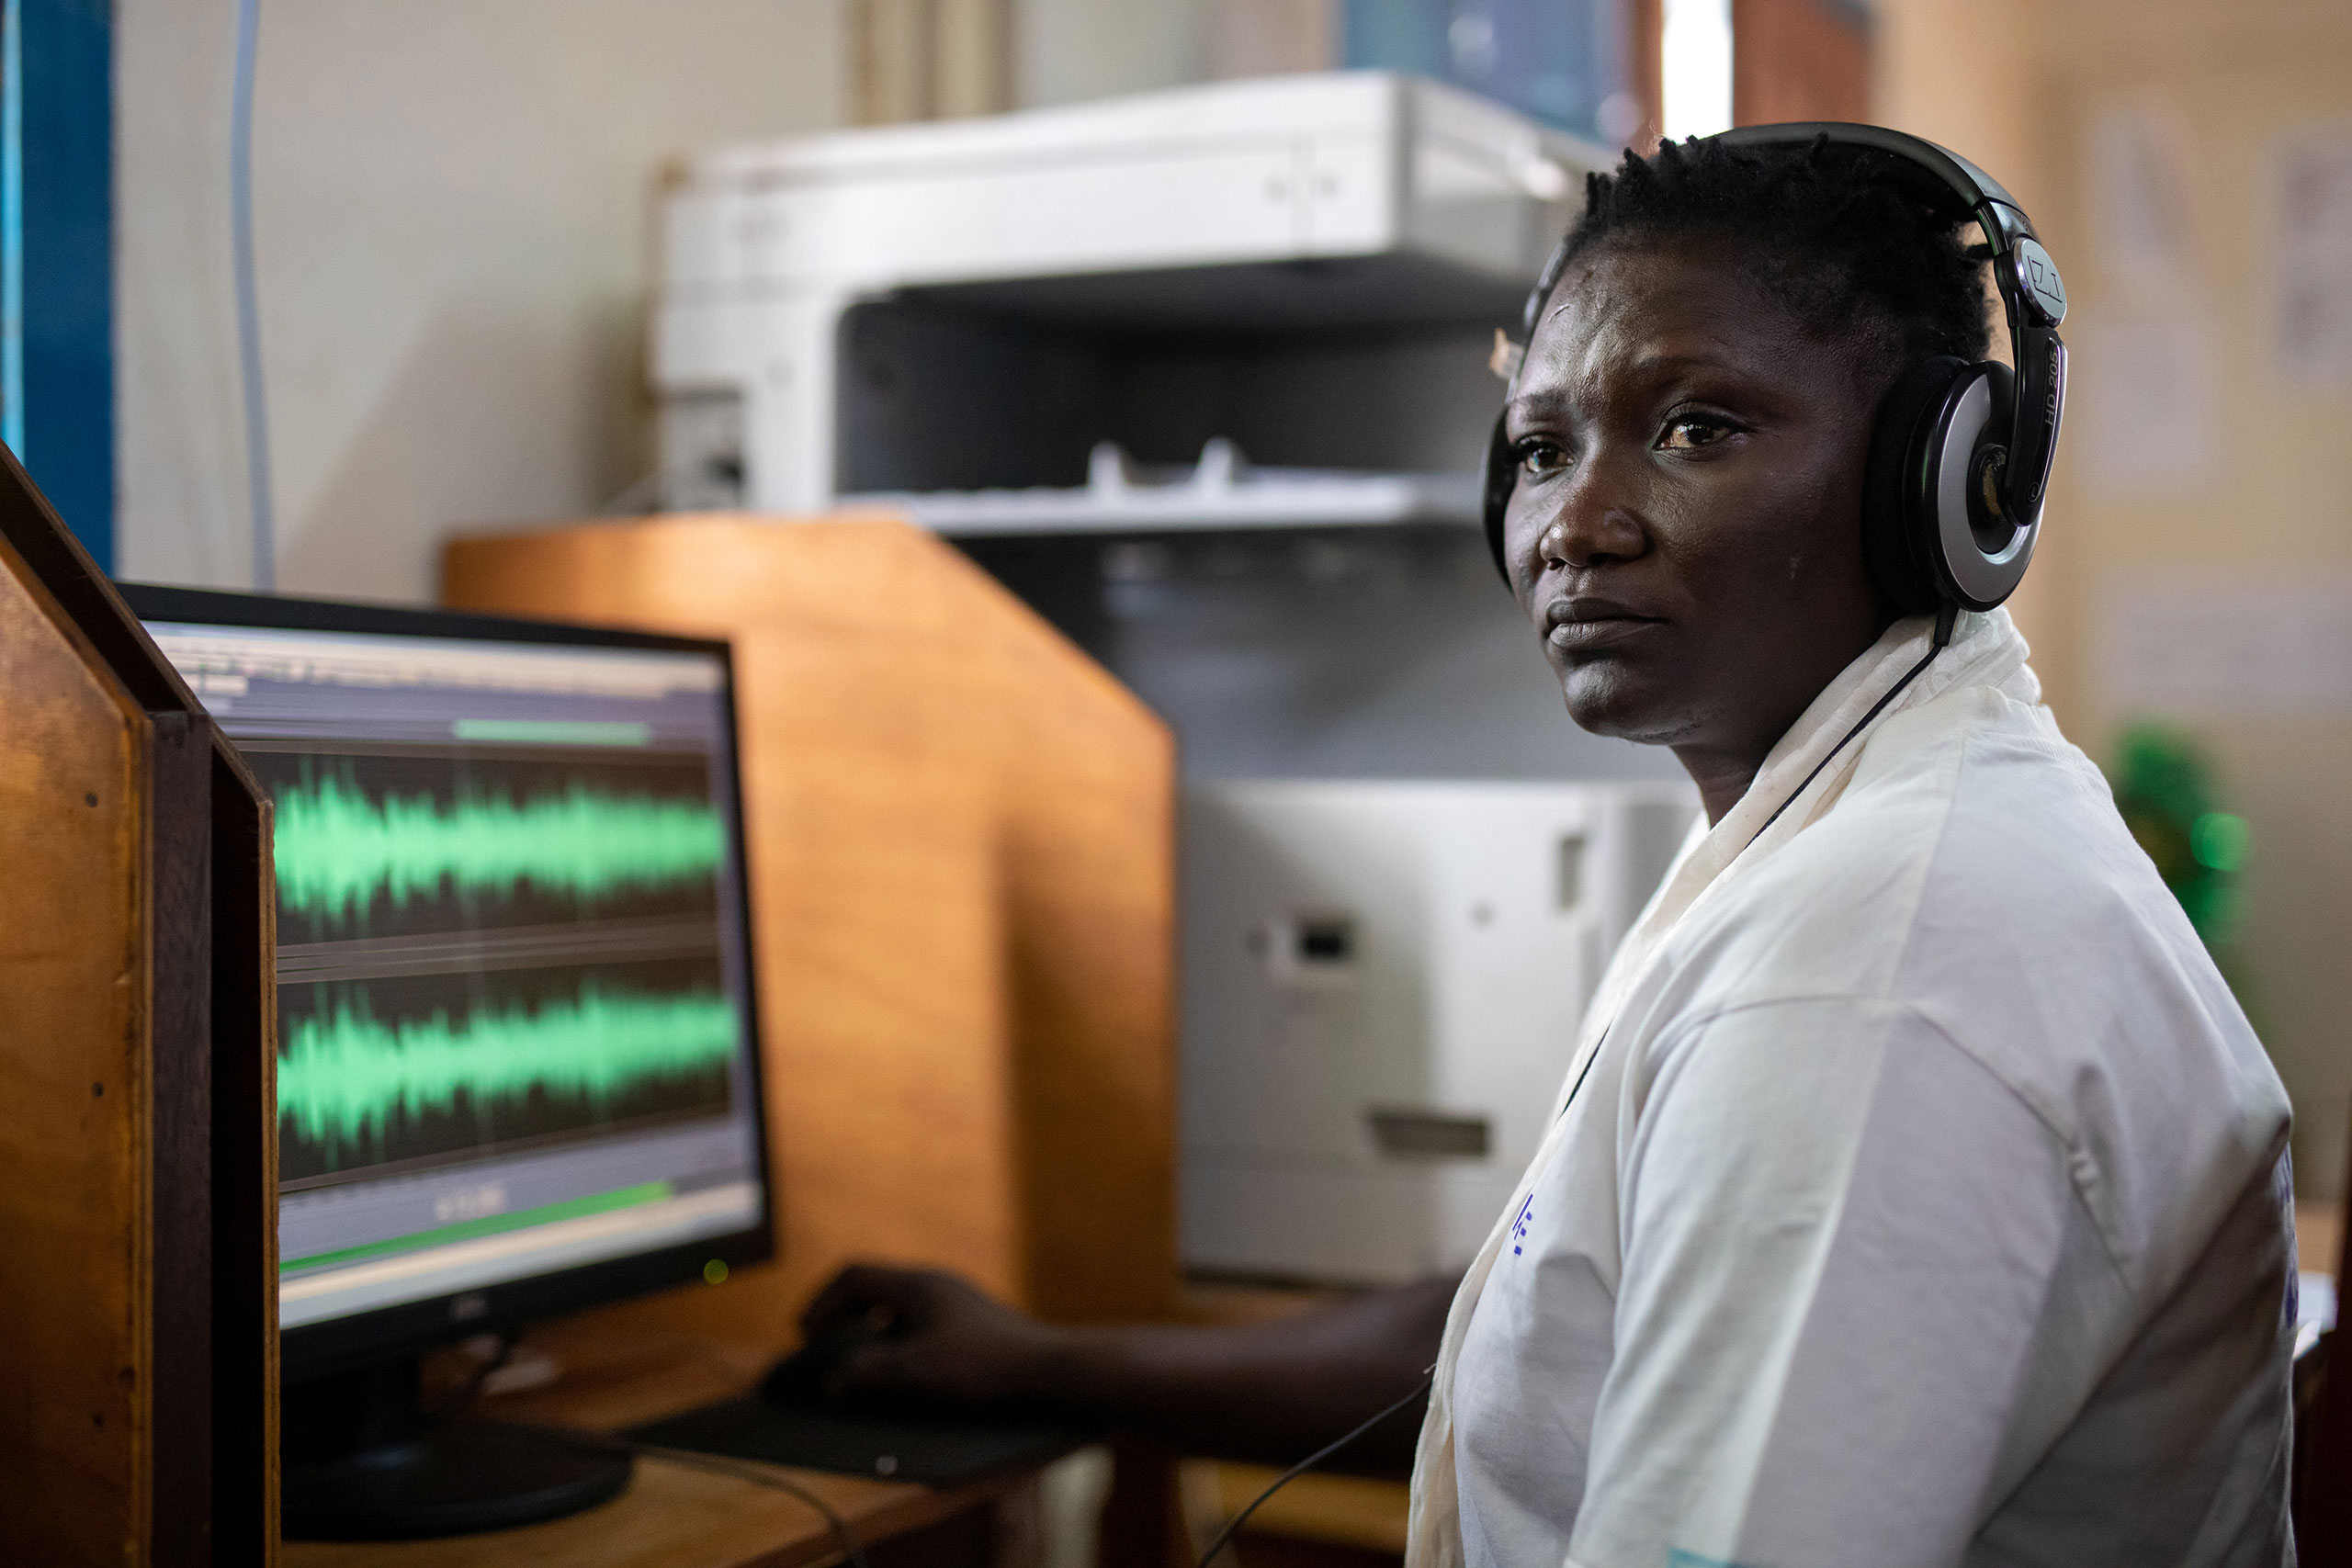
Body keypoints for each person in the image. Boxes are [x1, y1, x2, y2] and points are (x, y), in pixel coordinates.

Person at [797, 134, 2298, 1565]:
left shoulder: (1875, 972)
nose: (1574, 521)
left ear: (1947, 477)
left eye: (1696, 425)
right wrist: (1037, 1362)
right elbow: (1564, 1308)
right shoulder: (1850, 827)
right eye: (1537, 447)